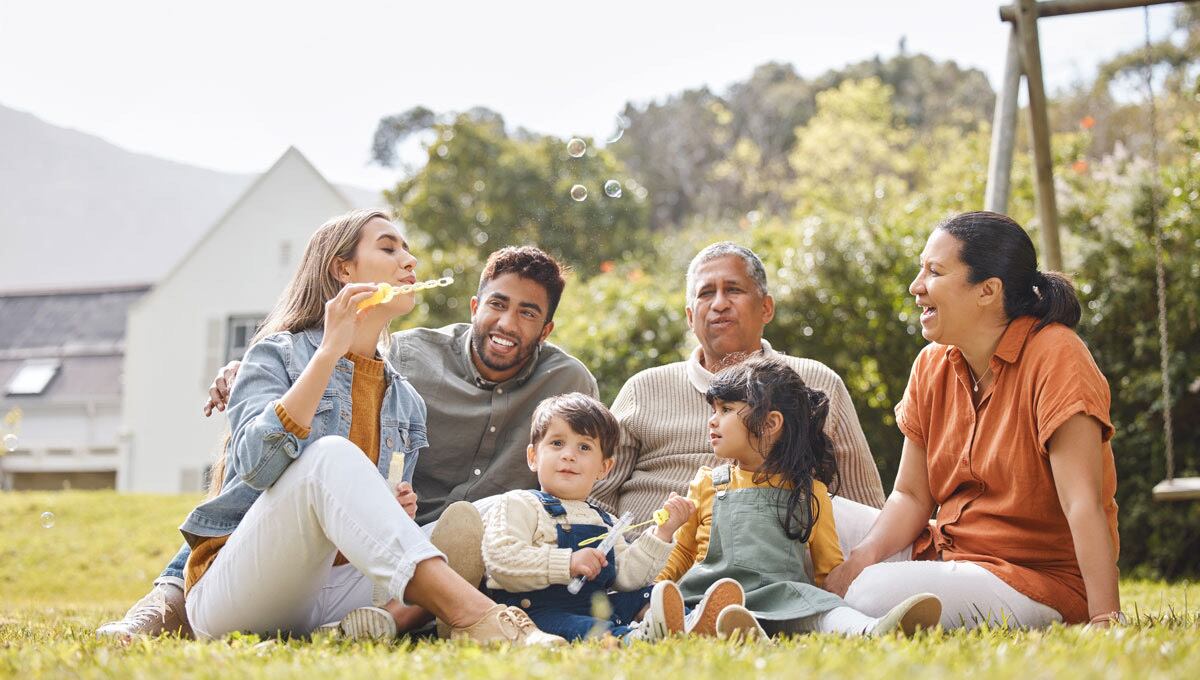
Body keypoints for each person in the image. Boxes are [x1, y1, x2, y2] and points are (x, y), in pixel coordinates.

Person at [98, 246, 596, 639]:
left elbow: (585, 464)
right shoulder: (408, 356)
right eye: (498, 304)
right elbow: (286, 458)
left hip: (454, 548)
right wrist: (255, 378)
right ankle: (165, 601)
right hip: (365, 541)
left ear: (547, 328)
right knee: (303, 469)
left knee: (464, 530)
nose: (508, 324)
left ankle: (379, 626)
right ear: (475, 306)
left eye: (528, 314)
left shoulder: (568, 383)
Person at [824, 211, 1122, 630]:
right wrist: (861, 557)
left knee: (870, 592)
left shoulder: (1057, 356)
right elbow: (910, 495)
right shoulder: (932, 364)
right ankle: (764, 610)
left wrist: (1105, 616)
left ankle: (819, 615)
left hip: (1033, 580)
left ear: (988, 291)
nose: (916, 286)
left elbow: (1082, 502)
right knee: (797, 513)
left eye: (934, 271)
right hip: (945, 552)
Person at [592, 242, 886, 523]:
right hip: (649, 566)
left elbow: (864, 508)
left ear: (766, 308)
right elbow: (592, 495)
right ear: (690, 317)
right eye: (706, 293)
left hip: (775, 568)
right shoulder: (643, 389)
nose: (720, 303)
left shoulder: (818, 385)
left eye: (733, 289)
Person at [657, 357, 940, 638]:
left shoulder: (810, 493)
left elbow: (828, 570)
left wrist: (832, 603)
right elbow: (683, 552)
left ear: (770, 423)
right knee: (702, 614)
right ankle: (735, 628)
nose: (712, 420)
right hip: (712, 598)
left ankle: (871, 629)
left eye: (726, 409)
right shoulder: (707, 484)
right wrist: (650, 592)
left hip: (783, 601)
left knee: (824, 612)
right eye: (714, 410)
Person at [480, 393, 696, 642]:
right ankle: (631, 639)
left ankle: (691, 623)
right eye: (557, 443)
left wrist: (662, 533)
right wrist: (567, 563)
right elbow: (501, 560)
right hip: (535, 615)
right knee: (589, 628)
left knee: (652, 593)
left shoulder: (605, 520)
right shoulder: (519, 503)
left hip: (594, 607)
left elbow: (626, 577)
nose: (569, 455)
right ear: (533, 457)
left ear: (604, 468)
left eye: (584, 447)